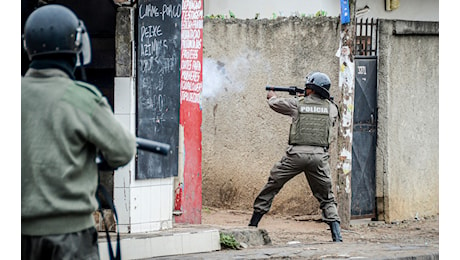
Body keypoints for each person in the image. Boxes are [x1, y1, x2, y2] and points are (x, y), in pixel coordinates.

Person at [21, 4, 137, 259]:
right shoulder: (83, 99)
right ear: (76, 44)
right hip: (70, 238)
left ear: (27, 46)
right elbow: (123, 151)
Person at [248, 72, 343, 242]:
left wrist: (271, 96)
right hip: (319, 157)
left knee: (273, 184)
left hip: (296, 156)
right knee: (326, 196)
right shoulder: (332, 108)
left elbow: (275, 104)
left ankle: (252, 225)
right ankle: (337, 235)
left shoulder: (297, 104)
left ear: (310, 88)